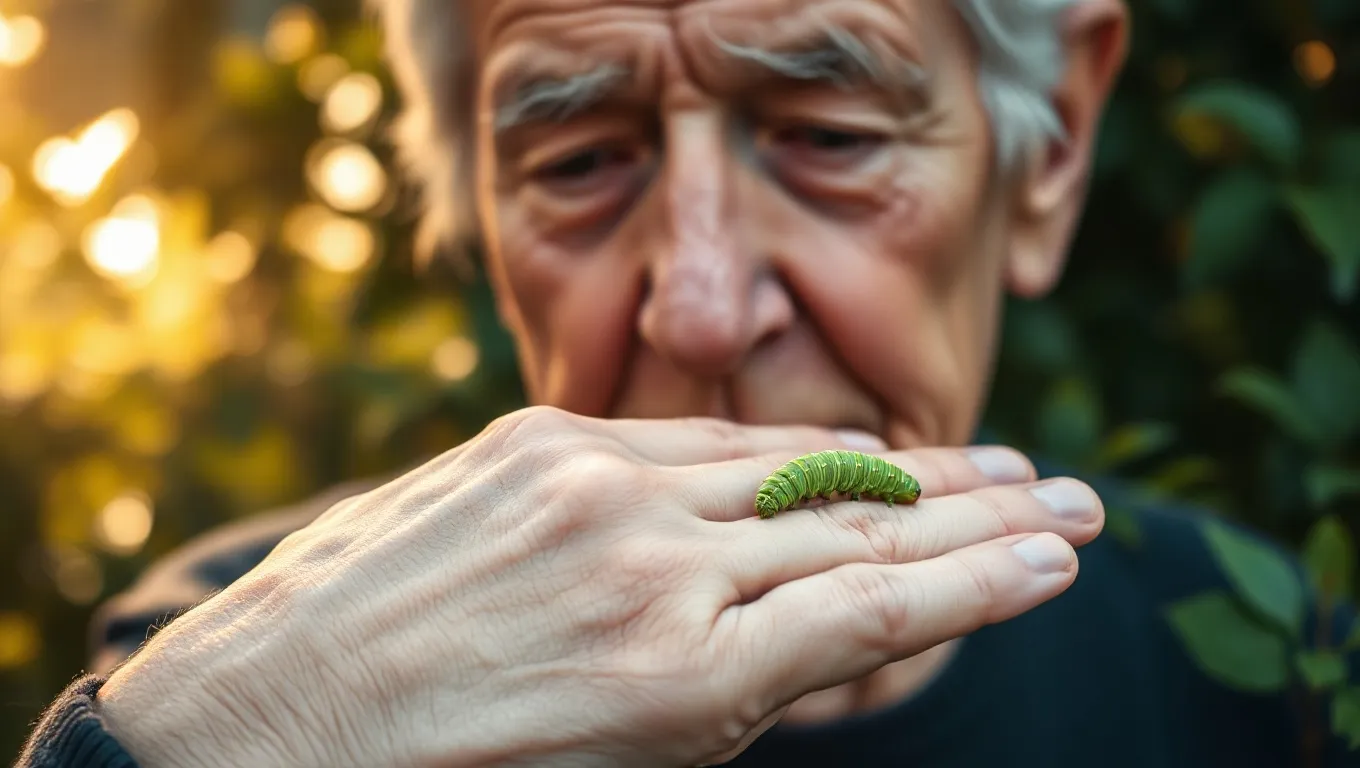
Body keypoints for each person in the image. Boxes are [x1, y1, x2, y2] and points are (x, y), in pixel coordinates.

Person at [15, 0, 1356, 766]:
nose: (704, 310)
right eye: (580, 161)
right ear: (481, 218)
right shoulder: (211, 635)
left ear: (1049, 144)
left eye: (828, 136)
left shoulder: (1243, 658)